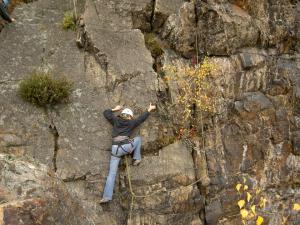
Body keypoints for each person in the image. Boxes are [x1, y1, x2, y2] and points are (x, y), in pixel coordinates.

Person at [100, 103, 156, 203]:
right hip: (125, 148)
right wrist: (149, 109)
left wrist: (115, 109)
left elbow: (106, 113)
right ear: (130, 116)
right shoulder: (131, 123)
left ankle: (106, 197)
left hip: (114, 150)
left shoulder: (116, 120)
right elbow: (141, 119)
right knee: (138, 139)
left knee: (111, 174)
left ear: (122, 115)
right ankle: (136, 159)